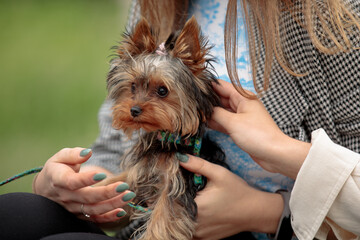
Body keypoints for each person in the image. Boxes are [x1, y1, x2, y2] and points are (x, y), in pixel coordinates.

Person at [1, 0, 359, 239]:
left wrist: (270, 211)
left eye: (159, 93)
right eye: (134, 90)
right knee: (16, 212)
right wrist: (83, 191)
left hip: (286, 231)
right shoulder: (160, 4)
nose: (139, 104)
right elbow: (114, 148)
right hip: (143, 222)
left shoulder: (335, 13)